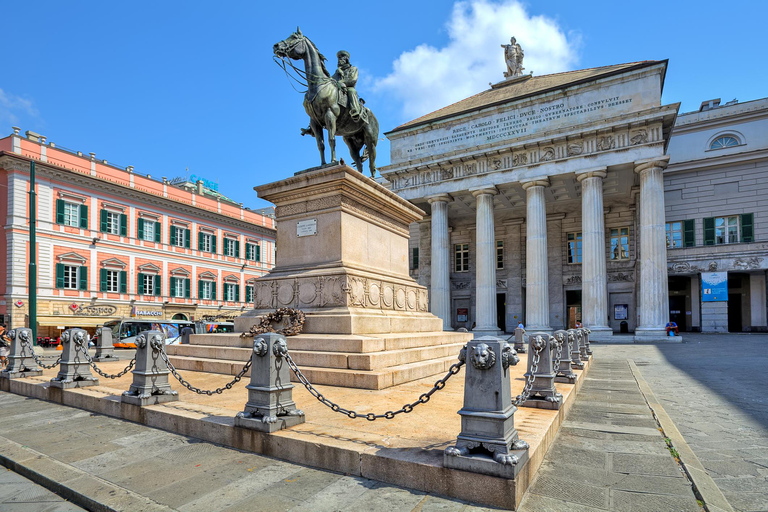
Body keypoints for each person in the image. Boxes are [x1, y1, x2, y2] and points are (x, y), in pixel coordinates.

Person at [333, 50, 366, 123]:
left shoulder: (353, 69)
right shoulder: (337, 71)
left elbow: (352, 80)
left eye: (341, 58)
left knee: (352, 91)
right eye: (338, 58)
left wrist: (341, 82)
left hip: (348, 88)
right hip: (337, 88)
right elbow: (332, 81)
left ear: (346, 59)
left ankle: (355, 110)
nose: (339, 60)